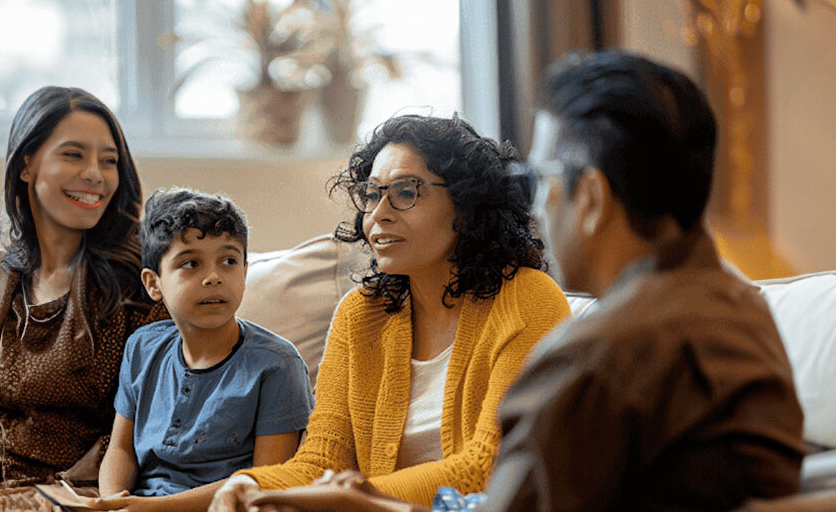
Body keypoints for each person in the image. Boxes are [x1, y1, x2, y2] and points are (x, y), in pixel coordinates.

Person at [231, 50, 806, 512]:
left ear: (590, 198)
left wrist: (359, 499)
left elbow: (496, 485)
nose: (539, 201)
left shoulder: (599, 356)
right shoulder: (732, 304)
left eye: (545, 176)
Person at [208, 114, 571, 510]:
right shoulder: (359, 315)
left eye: (405, 192)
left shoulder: (529, 300)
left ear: (465, 207)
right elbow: (321, 460)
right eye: (371, 194)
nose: (378, 213)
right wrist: (248, 484)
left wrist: (358, 498)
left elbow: (486, 467)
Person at [0, 87, 169, 510]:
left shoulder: (138, 281)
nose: (96, 174)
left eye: (109, 161)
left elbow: (151, 423)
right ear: (26, 165)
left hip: (79, 493)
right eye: (74, 155)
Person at [85, 188, 313, 511]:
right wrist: (113, 502)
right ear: (154, 283)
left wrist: (148, 510)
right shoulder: (143, 347)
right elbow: (121, 449)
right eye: (191, 263)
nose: (214, 277)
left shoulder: (278, 365)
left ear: (245, 272)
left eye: (229, 261)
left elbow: (265, 481)